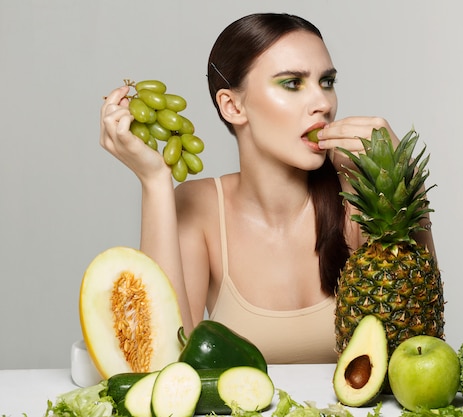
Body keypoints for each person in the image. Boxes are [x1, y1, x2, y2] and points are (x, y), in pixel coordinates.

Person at [99, 13, 435, 363]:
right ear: (233, 106)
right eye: (292, 83)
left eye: (327, 81)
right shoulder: (199, 207)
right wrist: (154, 183)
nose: (324, 103)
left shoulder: (361, 196)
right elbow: (163, 363)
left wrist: (405, 180)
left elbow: (421, 352)